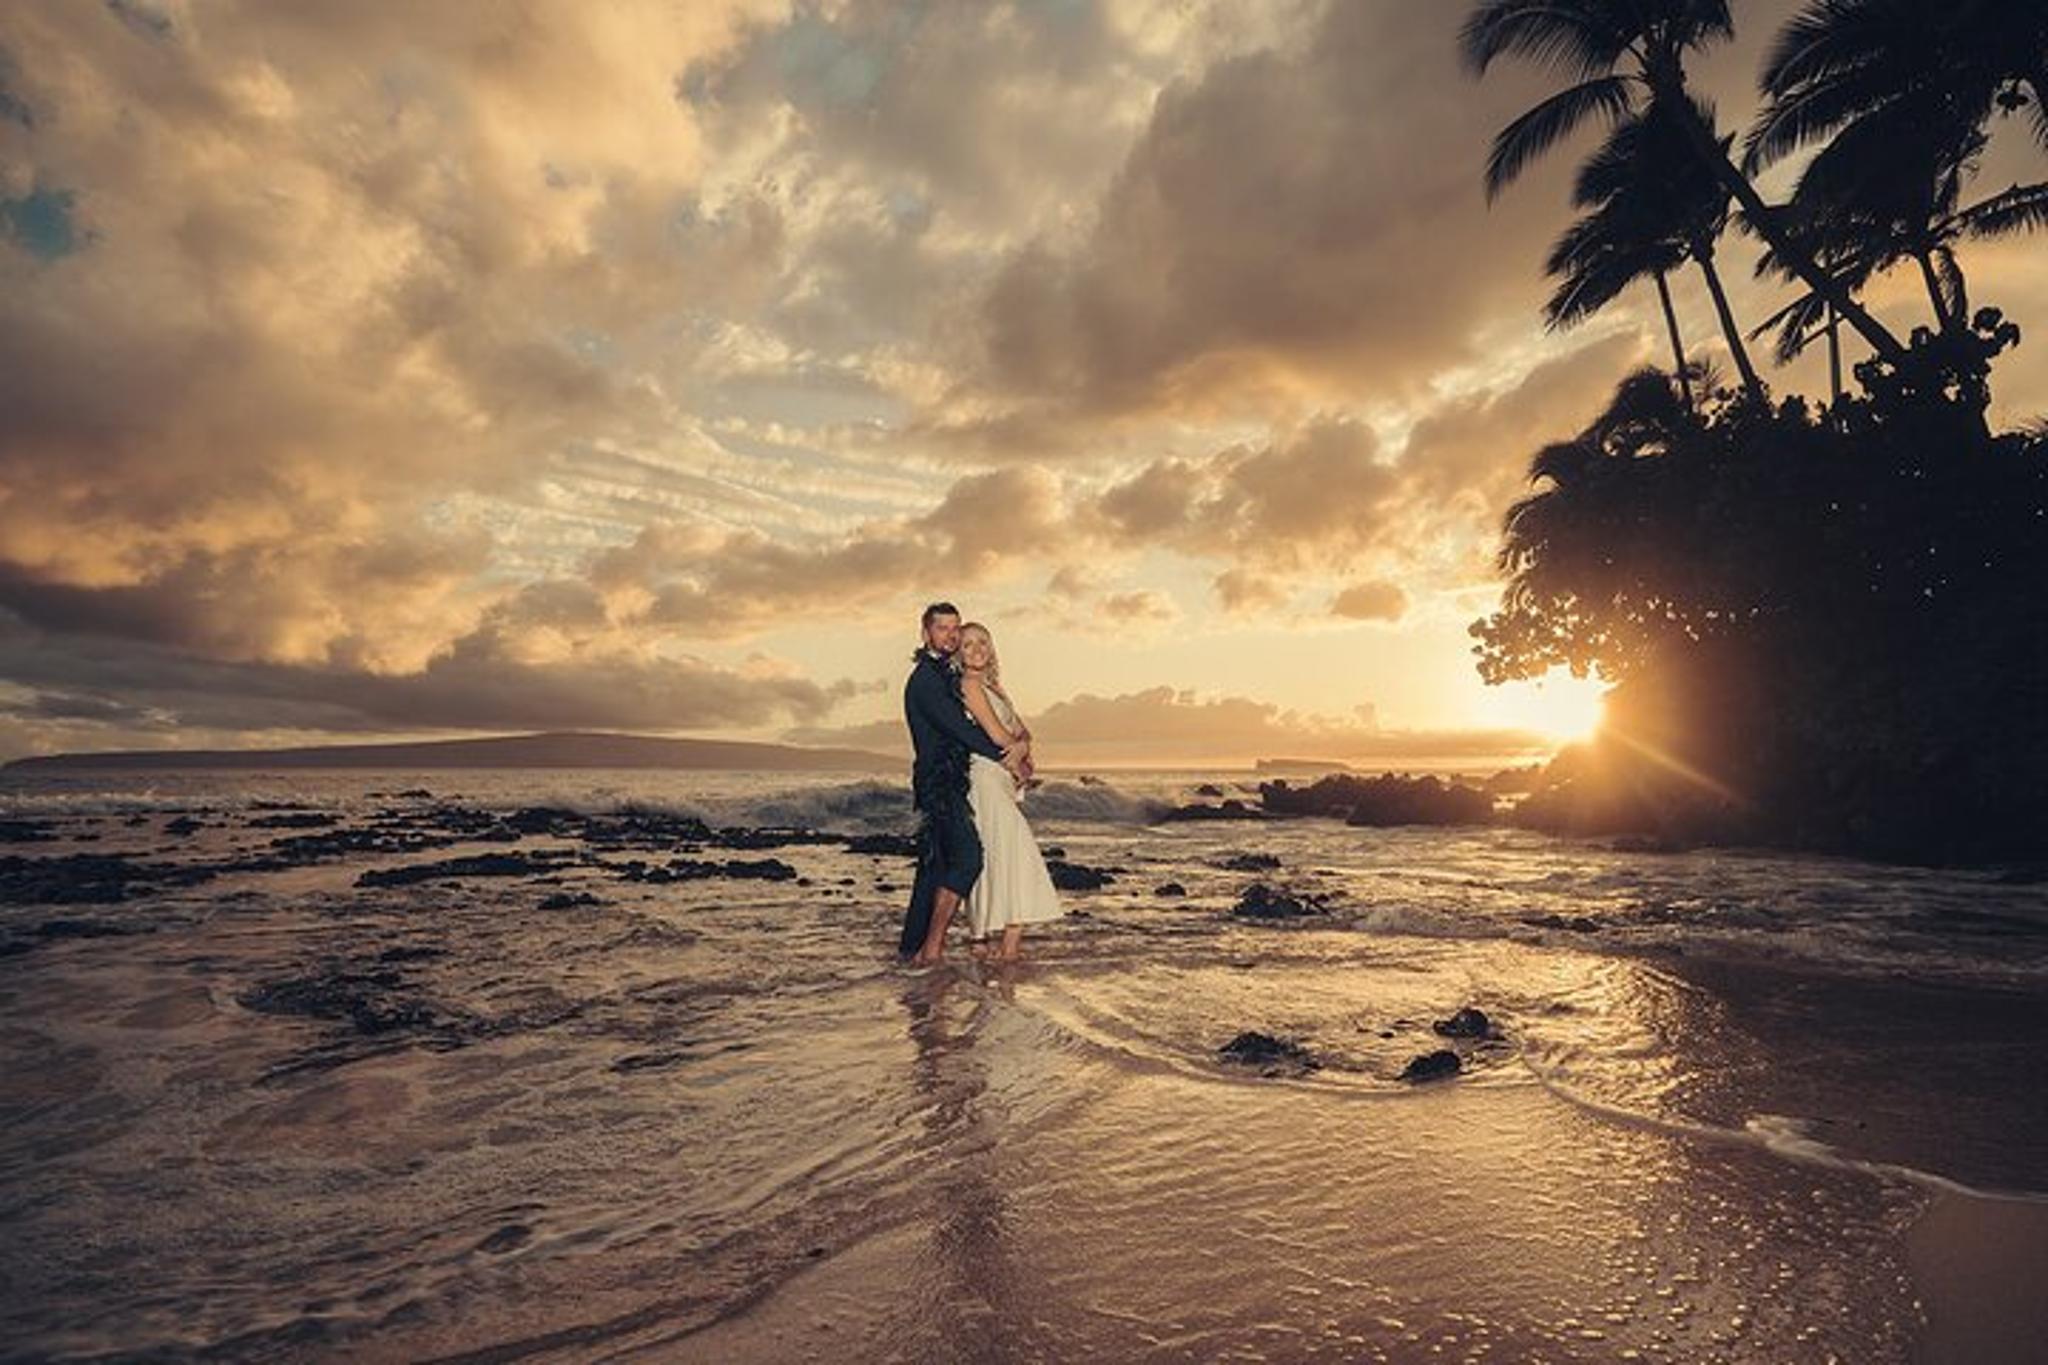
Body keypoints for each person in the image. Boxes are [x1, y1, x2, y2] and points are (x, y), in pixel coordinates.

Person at [899, 603, 1027, 966]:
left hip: (954, 779)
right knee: (968, 858)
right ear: (926, 633)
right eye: (943, 629)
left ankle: (913, 950)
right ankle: (932, 950)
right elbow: (961, 730)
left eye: (956, 629)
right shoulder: (926, 680)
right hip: (939, 784)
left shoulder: (944, 675)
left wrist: (1017, 749)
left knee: (935, 867)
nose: (951, 636)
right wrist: (1006, 756)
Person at [955, 623, 1062, 961]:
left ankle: (984, 943)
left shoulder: (994, 687)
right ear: (959, 651)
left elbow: (1022, 732)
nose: (976, 649)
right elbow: (998, 735)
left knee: (998, 856)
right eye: (968, 644)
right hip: (985, 778)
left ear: (991, 647)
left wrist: (1025, 745)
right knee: (1017, 851)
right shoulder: (968, 684)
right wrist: (1019, 756)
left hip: (1000, 778)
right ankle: (1005, 945)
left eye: (982, 642)